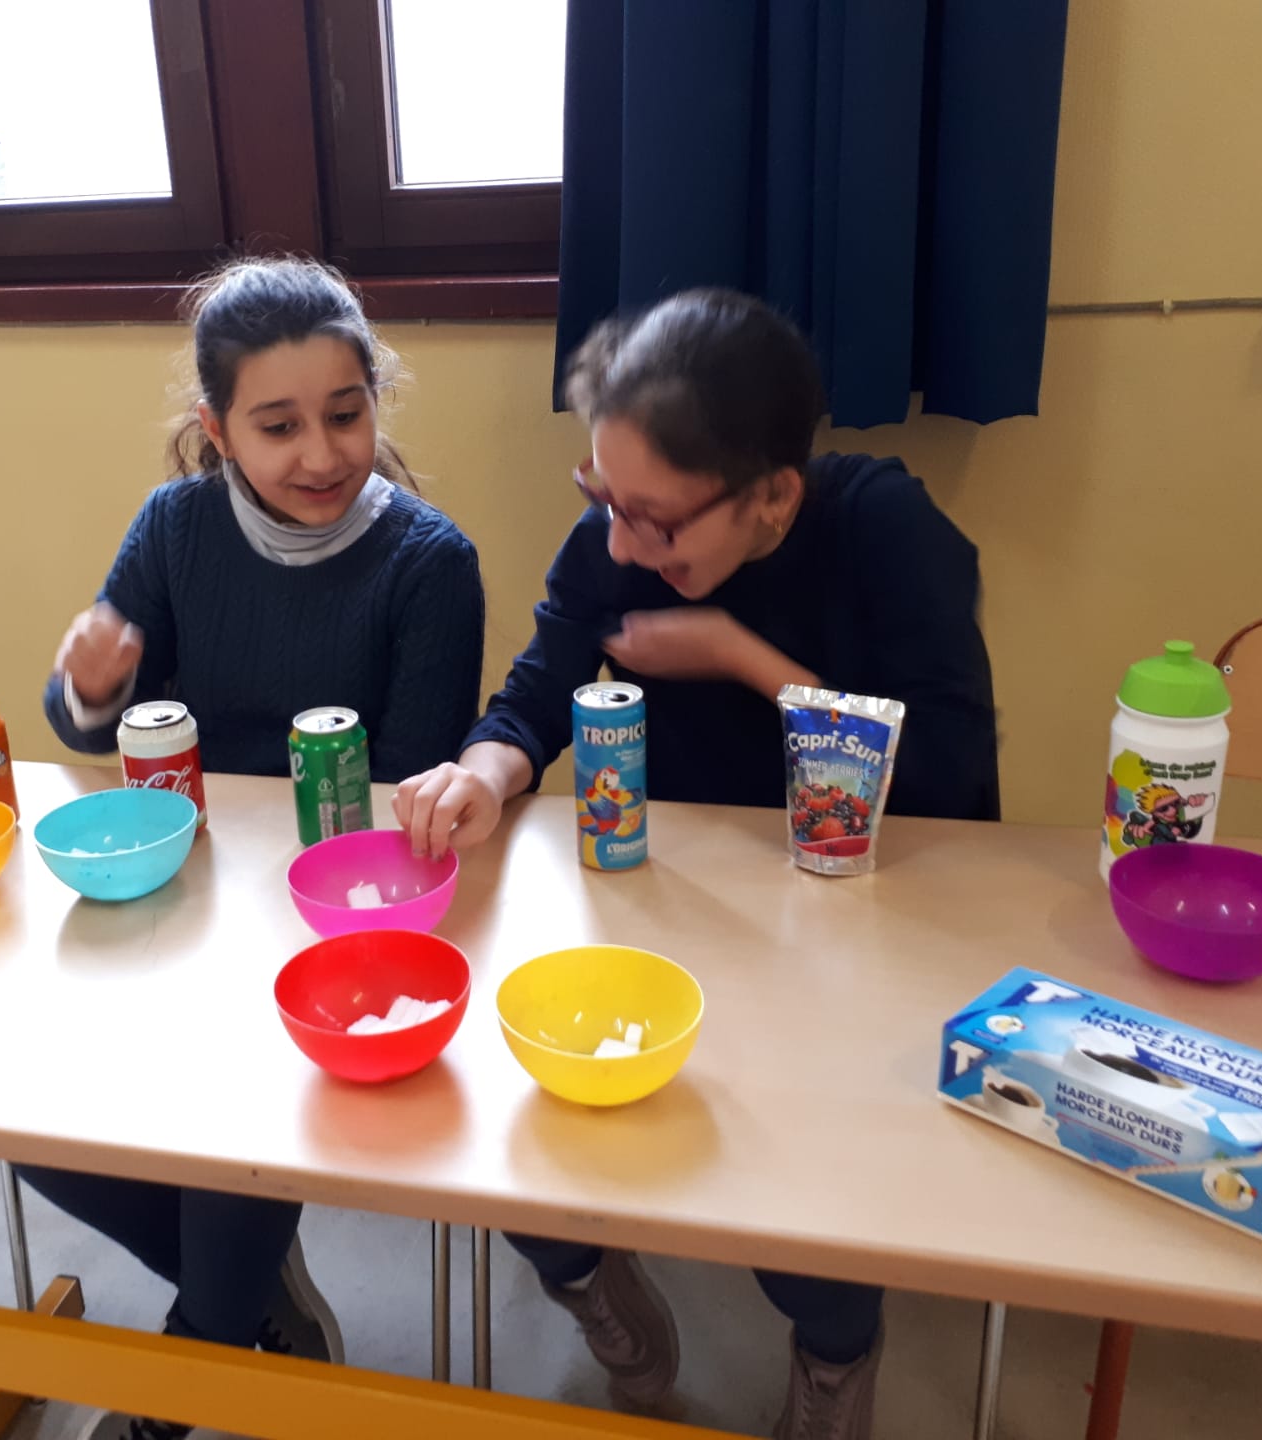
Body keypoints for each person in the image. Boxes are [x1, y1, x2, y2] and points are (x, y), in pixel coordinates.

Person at [394, 289, 997, 1440]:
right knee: (513, 1139)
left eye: (656, 521)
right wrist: (480, 772)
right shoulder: (617, 532)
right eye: (600, 499)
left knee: (804, 1207)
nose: (621, 544)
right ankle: (587, 1277)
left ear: (772, 495)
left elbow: (945, 782)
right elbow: (536, 694)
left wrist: (739, 656)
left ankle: (833, 1353)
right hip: (659, 900)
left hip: (854, 912)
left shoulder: (882, 531)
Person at [26, 257, 487, 1440]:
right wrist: (90, 687)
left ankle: (200, 1350)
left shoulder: (430, 562)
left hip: (336, 912)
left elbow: (410, 787)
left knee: (250, 1106)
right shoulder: (174, 526)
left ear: (376, 400)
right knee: (27, 1116)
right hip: (181, 887)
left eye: (345, 413)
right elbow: (90, 724)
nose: (321, 454)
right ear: (217, 428)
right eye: (277, 426)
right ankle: (240, 1297)